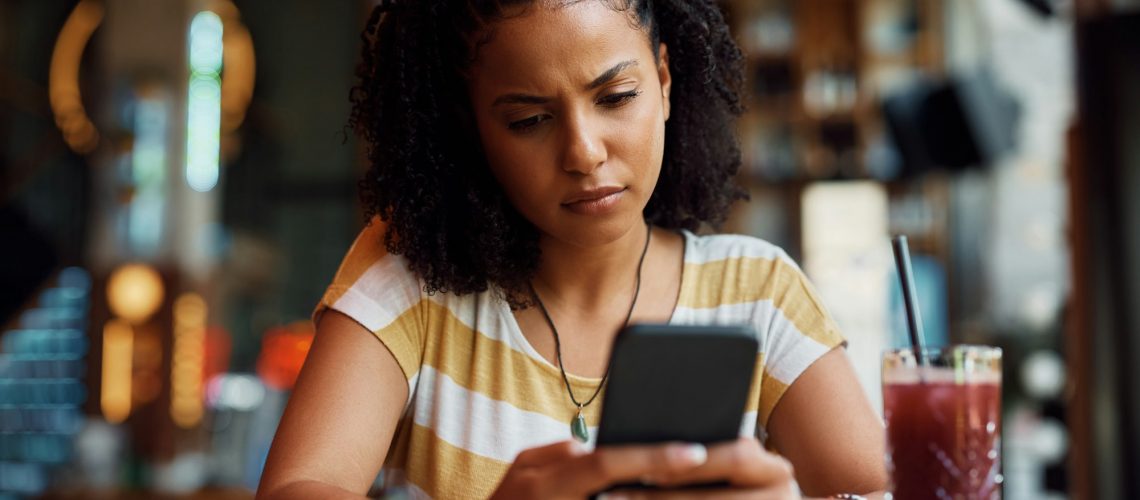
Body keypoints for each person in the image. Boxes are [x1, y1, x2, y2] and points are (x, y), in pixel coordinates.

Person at [257, 0, 887, 498]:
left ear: (664, 82)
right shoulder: (412, 280)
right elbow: (295, 489)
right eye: (529, 120)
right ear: (471, 130)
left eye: (615, 98)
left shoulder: (758, 291)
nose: (584, 153)